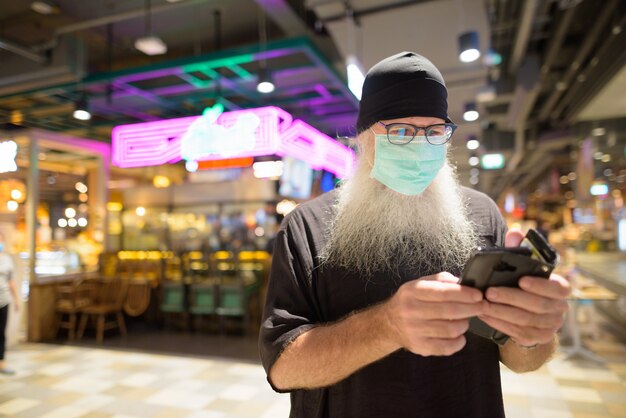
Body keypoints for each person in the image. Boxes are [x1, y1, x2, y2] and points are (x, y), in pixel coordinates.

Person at [258, 52, 570, 418]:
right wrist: (386, 326)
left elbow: (521, 359)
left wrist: (534, 333)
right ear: (365, 137)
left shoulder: (482, 214)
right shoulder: (307, 227)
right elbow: (283, 368)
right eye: (401, 131)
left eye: (434, 131)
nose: (420, 146)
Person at [0, 233, 19, 375]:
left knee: (1, 333)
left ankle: (2, 363)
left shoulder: (6, 259)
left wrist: (16, 299)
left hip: (4, 300)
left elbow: (11, 281)